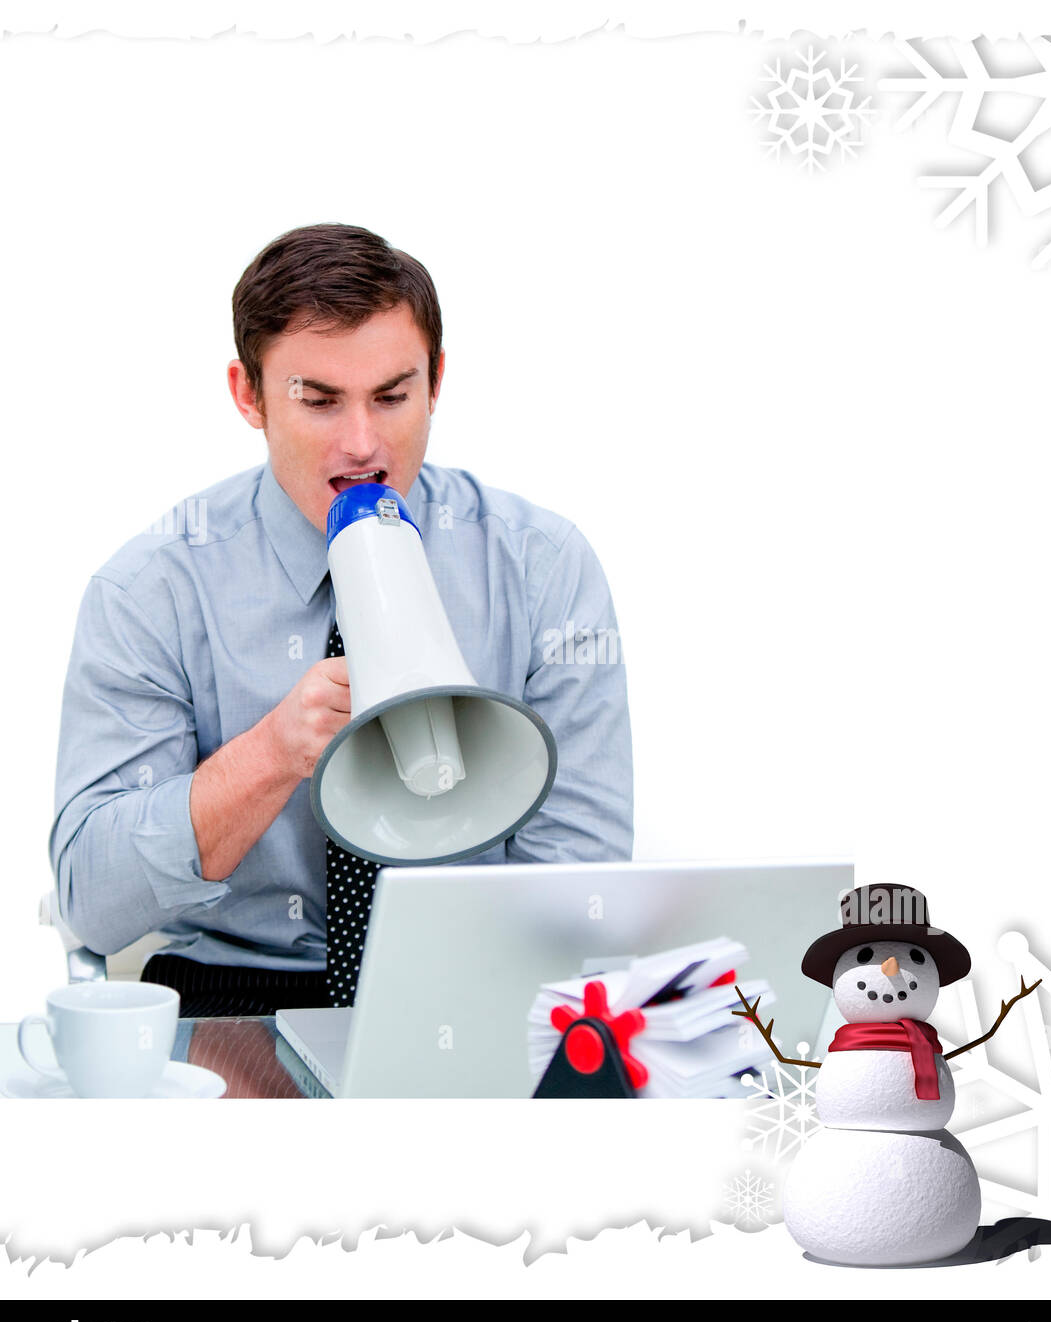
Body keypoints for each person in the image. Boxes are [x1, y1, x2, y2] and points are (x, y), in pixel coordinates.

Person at [49, 224, 633, 1017]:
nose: (364, 445)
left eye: (393, 396)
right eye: (319, 401)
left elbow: (579, 883)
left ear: (436, 381)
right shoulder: (151, 587)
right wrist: (270, 754)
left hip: (471, 992)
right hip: (235, 993)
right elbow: (94, 901)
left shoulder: (541, 566)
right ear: (249, 394)